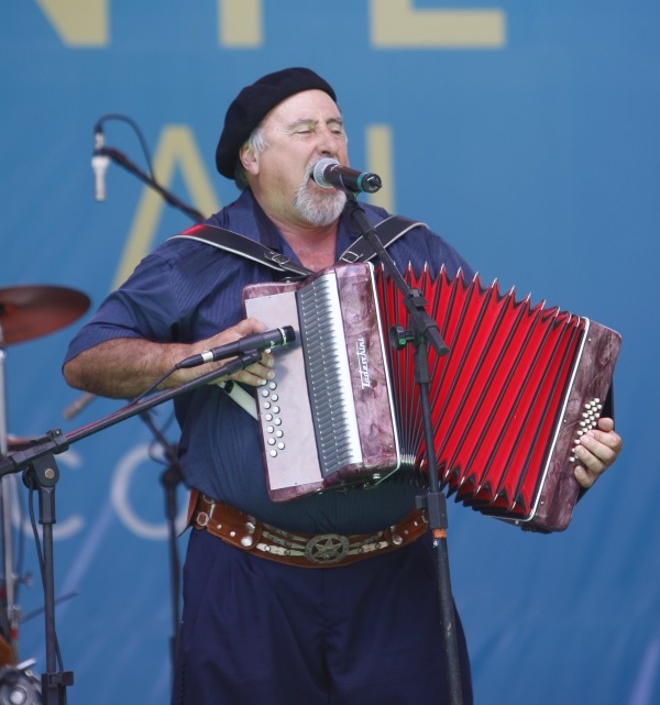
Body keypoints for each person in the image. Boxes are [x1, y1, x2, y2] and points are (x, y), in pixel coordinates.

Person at [62, 67, 622, 705]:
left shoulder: (406, 253)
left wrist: (566, 458)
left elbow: (492, 381)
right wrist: (194, 356)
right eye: (304, 130)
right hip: (249, 580)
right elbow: (88, 356)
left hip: (395, 580)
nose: (327, 143)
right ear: (251, 158)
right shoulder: (198, 258)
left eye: (336, 128)